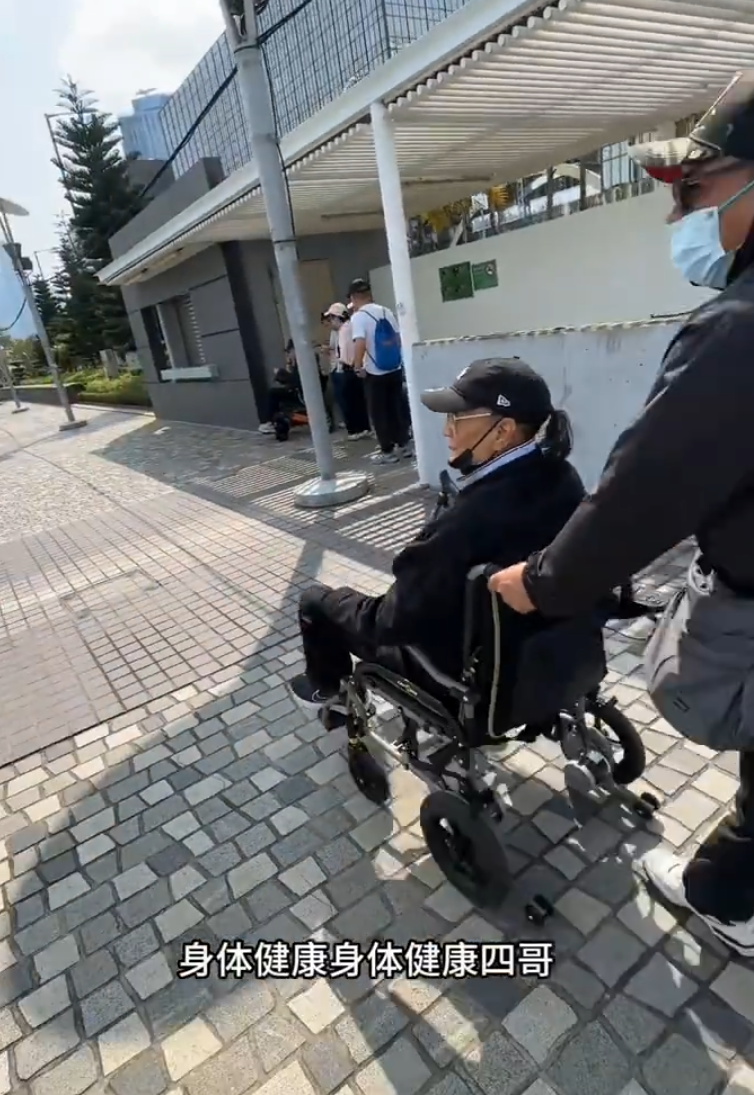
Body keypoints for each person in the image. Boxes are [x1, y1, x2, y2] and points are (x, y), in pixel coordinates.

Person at [487, 71, 754, 956]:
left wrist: (545, 582)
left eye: (695, 188)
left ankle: (727, 898)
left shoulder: (736, 331)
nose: (677, 214)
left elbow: (644, 491)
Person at [288, 357, 583, 718]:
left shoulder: (467, 522)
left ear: (503, 431)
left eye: (456, 417)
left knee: (315, 601)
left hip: (457, 674)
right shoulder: (564, 478)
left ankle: (329, 693)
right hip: (549, 647)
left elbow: (389, 623)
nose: (446, 430)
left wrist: (342, 601)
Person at [349, 277, 412, 464]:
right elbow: (398, 339)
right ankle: (404, 444)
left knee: (378, 412)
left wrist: (357, 366)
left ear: (353, 297)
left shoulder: (358, 317)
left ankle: (387, 451)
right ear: (369, 294)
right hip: (394, 368)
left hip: (375, 371)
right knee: (396, 407)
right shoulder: (386, 311)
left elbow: (360, 343)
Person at [322, 303, 371, 440]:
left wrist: (343, 363)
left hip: (348, 368)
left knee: (349, 401)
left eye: (332, 318)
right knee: (358, 400)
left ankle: (355, 429)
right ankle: (363, 427)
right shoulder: (348, 328)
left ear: (337, 317)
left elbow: (346, 354)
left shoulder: (345, 330)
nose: (331, 322)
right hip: (353, 367)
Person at [258, 340, 302, 435]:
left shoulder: (302, 363)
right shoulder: (296, 363)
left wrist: (281, 373)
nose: (288, 355)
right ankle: (274, 421)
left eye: (289, 352)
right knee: (275, 393)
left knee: (273, 393)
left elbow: (295, 380)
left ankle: (270, 421)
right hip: (295, 390)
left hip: (298, 393)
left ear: (294, 350)